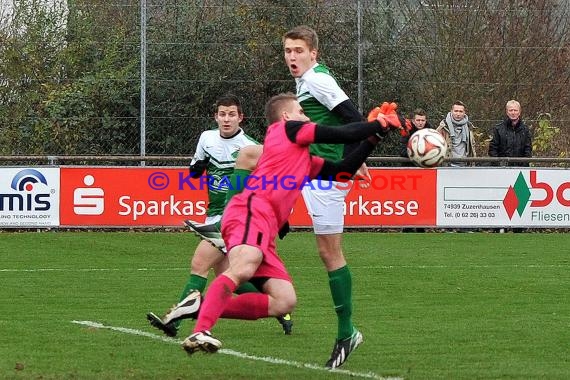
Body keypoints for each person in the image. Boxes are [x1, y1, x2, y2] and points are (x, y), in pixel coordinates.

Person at [180, 93, 408, 361]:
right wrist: (379, 123)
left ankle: (200, 306)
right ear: (287, 116)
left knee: (284, 301)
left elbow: (344, 170)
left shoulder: (301, 157)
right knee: (243, 266)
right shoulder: (284, 129)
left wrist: (375, 138)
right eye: (301, 111)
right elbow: (339, 133)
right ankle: (201, 329)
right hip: (251, 210)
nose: (306, 116)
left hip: (267, 225)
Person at [146, 94, 295, 337]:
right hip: (213, 213)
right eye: (222, 114)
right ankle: (277, 306)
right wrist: (197, 168)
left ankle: (175, 320)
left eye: (232, 114)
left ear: (240, 117)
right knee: (225, 273)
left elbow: (270, 181)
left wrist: (282, 218)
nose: (226, 119)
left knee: (200, 264)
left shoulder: (249, 146)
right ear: (216, 116)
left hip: (236, 218)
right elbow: (197, 167)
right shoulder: (207, 138)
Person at [282, 25, 372, 369]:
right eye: (288, 51)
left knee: (330, 252)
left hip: (325, 176)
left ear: (313, 53)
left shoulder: (318, 80)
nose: (292, 57)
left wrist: (350, 164)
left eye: (298, 51)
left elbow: (354, 120)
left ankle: (347, 333)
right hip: (308, 170)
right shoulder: (306, 80)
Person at [488, 100, 532, 167]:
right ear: (507, 112)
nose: (513, 113)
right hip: (502, 169)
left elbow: (528, 149)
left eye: (515, 110)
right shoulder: (498, 129)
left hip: (521, 170)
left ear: (519, 112)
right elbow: (493, 149)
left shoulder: (525, 130)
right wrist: (498, 165)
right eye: (511, 110)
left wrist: (524, 164)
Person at [436, 101, 477, 166]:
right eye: (456, 111)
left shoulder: (469, 127)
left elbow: (472, 147)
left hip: (465, 164)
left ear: (464, 113)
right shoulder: (443, 127)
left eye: (460, 111)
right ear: (451, 111)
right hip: (447, 165)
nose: (458, 114)